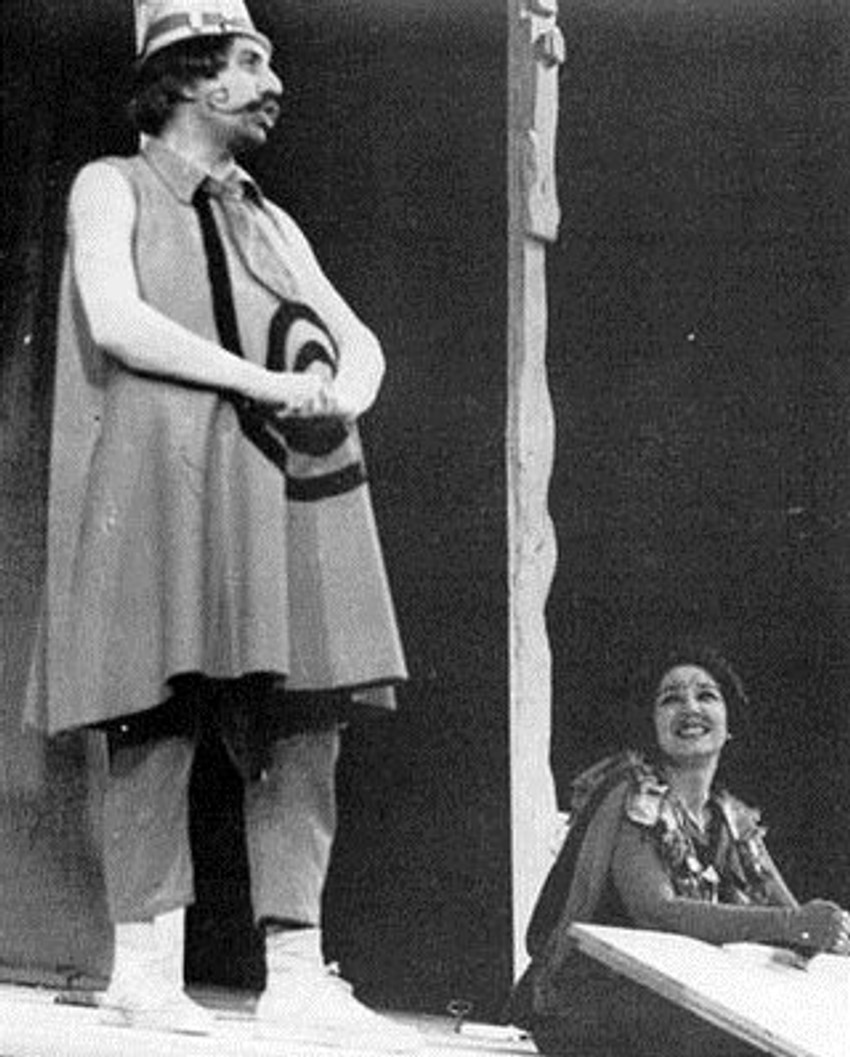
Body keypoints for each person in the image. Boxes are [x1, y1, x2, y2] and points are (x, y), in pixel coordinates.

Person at [24, 0, 419, 1048]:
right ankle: (144, 966)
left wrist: (344, 391)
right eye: (250, 61)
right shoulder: (110, 184)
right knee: (156, 708)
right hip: (164, 477)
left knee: (305, 715)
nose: (273, 83)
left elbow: (356, 336)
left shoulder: (269, 219)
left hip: (276, 482)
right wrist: (264, 381)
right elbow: (117, 318)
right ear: (190, 76)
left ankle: (295, 971)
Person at [507, 642, 850, 1056]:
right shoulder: (633, 791)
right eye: (670, 699)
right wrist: (791, 924)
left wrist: (828, 932)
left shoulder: (733, 819)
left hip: (674, 1010)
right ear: (652, 726)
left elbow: (798, 918)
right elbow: (657, 911)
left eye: (706, 695)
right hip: (594, 1009)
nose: (690, 707)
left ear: (729, 723)